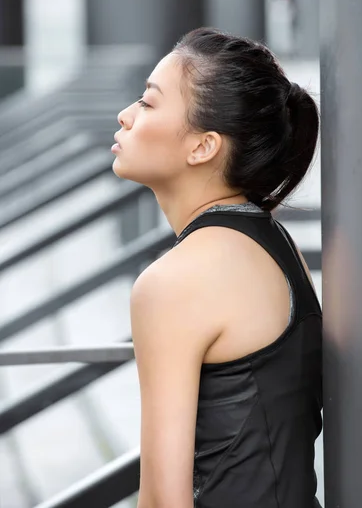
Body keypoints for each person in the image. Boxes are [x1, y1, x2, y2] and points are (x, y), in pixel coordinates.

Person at [112, 27, 322, 508]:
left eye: (147, 103)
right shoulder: (271, 244)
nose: (124, 116)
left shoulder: (176, 282)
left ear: (203, 146)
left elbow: (165, 500)